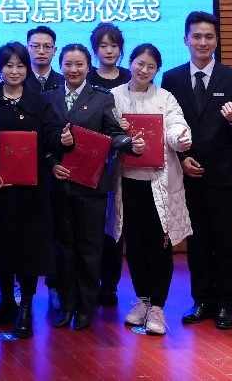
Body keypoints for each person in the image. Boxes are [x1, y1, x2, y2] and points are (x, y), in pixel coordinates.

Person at [163, 11, 232, 331]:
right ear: (185, 40)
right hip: (187, 173)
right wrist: (182, 157)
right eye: (197, 36)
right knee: (197, 241)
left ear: (217, 40)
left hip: (223, 175)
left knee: (223, 240)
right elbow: (168, 126)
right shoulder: (171, 79)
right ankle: (201, 300)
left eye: (209, 36)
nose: (203, 42)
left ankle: (226, 303)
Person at [0, 41, 60, 340]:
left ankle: (25, 306)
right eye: (9, 65)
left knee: (29, 250)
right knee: (2, 247)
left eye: (20, 65)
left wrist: (62, 139)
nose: (14, 71)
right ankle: (5, 303)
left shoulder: (40, 102)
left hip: (32, 190)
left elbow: (50, 138)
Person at [44, 44, 130, 330]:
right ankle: (67, 304)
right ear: (60, 65)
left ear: (88, 66)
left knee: (90, 249)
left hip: (91, 187)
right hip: (59, 184)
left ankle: (86, 307)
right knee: (63, 249)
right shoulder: (48, 97)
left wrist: (128, 142)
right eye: (68, 64)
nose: (73, 69)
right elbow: (42, 138)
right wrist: (52, 161)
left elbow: (113, 133)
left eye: (79, 64)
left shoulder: (102, 98)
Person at [109, 43, 192, 336]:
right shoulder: (114, 96)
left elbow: (176, 126)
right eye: (140, 64)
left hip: (159, 184)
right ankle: (142, 300)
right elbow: (106, 131)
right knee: (134, 245)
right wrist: (117, 130)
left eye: (151, 66)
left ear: (157, 70)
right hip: (127, 183)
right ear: (129, 63)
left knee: (160, 245)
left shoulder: (165, 97)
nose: (144, 70)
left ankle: (158, 306)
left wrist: (180, 138)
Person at [86, 21, 128, 307]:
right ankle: (89, 282)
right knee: (92, 226)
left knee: (115, 225)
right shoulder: (85, 77)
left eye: (113, 45)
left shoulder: (130, 76)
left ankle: (110, 284)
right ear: (95, 49)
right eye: (103, 45)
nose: (109, 50)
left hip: (123, 160)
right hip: (91, 159)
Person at [25, 26, 64, 92]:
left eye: (47, 46)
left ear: (54, 50)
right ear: (27, 49)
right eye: (36, 46)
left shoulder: (64, 83)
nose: (41, 52)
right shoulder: (19, 82)